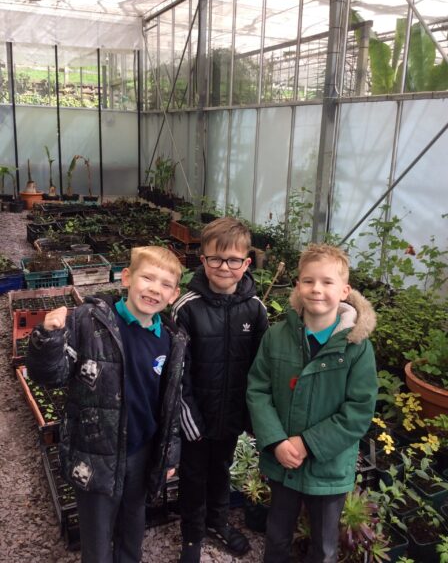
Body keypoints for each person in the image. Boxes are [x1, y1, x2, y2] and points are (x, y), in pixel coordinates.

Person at [27, 245, 187, 563]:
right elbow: (50, 376)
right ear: (126, 278)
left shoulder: (170, 339)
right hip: (95, 453)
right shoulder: (89, 322)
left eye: (165, 284)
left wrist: (169, 453)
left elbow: (170, 404)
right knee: (98, 538)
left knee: (133, 525)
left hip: (141, 452)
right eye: (147, 278)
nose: (155, 289)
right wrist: (48, 338)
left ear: (174, 295)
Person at [246, 243, 378, 563]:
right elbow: (258, 390)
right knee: (277, 534)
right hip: (283, 461)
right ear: (298, 285)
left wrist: (307, 443)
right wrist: (276, 441)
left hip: (328, 467)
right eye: (308, 280)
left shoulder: (357, 348)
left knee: (324, 545)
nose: (316, 289)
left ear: (345, 291)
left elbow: (358, 410)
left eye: (327, 282)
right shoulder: (277, 336)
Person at [172, 217, 269, 563]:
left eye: (233, 260)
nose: (224, 267)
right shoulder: (187, 308)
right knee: (193, 476)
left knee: (222, 469)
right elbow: (177, 373)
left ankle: (218, 522)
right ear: (202, 259)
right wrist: (189, 420)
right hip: (196, 418)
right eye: (215, 258)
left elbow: (260, 368)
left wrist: (251, 417)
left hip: (230, 416)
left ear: (247, 263)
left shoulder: (255, 309)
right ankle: (191, 536)